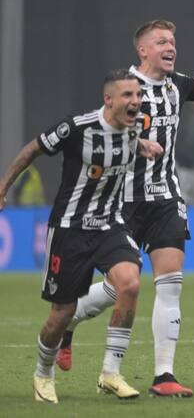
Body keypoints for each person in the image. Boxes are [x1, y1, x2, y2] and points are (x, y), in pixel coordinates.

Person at [56, 14, 194, 398]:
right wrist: (135, 144)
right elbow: (103, 131)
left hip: (166, 198)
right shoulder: (125, 89)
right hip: (123, 201)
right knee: (119, 289)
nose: (171, 47)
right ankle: (69, 321)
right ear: (143, 50)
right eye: (162, 42)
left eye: (173, 41)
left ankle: (163, 376)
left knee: (170, 285)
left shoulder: (176, 85)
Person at [0, 70, 163, 403]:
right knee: (61, 314)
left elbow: (126, 141)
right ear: (108, 99)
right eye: (128, 95)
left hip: (109, 226)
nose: (136, 101)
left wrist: (142, 144)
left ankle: (110, 373)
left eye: (138, 95)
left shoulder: (133, 128)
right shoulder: (77, 128)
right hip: (70, 230)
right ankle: (43, 374)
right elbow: (32, 149)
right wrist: (3, 187)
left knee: (129, 284)